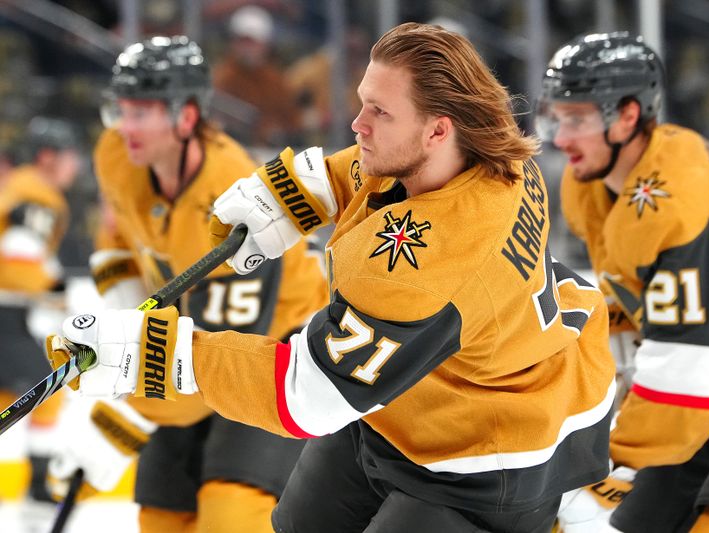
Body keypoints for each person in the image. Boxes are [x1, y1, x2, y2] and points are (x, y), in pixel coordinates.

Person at [50, 23, 616, 533]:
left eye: (379, 113)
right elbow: (367, 168)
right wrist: (301, 191)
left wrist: (159, 355)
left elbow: (309, 396)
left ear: (439, 131)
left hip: (484, 452)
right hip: (409, 400)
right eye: (363, 103)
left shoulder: (423, 261)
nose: (357, 124)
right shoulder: (485, 156)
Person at [45, 35, 328, 533]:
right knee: (161, 519)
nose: (125, 127)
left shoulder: (233, 203)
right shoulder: (116, 154)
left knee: (229, 515)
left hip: (272, 352)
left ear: (187, 118)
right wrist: (129, 324)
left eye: (142, 113)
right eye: (121, 109)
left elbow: (215, 358)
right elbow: (117, 238)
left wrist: (123, 421)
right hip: (184, 338)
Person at [538, 32, 709, 533]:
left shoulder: (676, 203)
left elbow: (689, 379)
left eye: (577, 119)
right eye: (557, 117)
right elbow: (631, 307)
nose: (561, 137)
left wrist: (611, 462)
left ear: (629, 116)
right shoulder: (592, 185)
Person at [0, 116, 81, 503]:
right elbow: (17, 262)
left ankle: (36, 482)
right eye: (68, 156)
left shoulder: (20, 187)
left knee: (20, 394)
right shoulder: (37, 193)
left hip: (8, 315)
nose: (75, 165)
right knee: (47, 386)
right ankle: (37, 482)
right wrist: (59, 290)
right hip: (5, 314)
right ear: (48, 156)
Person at [212, 4, 300, 146]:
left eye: (252, 42)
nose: (246, 48)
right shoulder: (222, 77)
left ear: (266, 45)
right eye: (241, 41)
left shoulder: (276, 80)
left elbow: (292, 120)